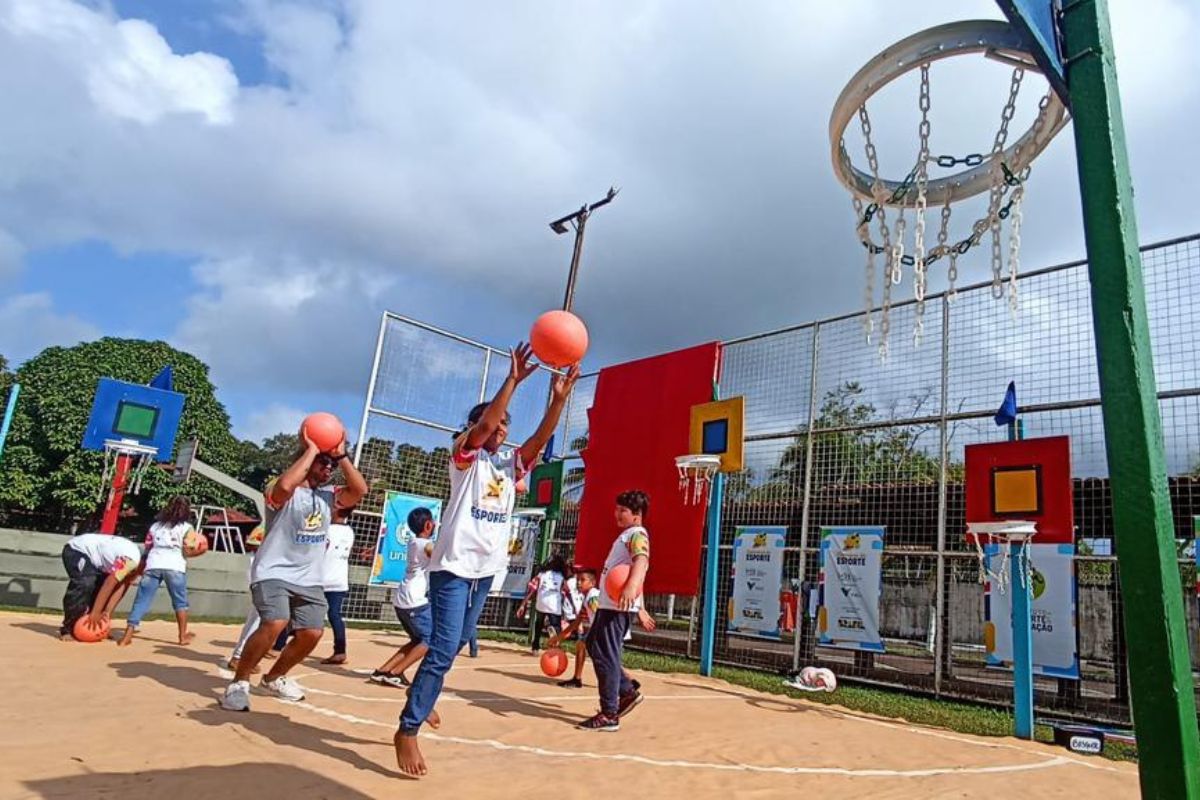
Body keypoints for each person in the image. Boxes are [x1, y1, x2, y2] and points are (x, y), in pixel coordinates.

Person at [395, 343, 579, 777]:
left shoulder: (509, 467)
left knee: (455, 644)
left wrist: (558, 400)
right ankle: (407, 728)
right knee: (442, 646)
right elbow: (485, 426)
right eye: (496, 424)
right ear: (478, 426)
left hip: (484, 571)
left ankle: (422, 695)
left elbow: (538, 439)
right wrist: (512, 380)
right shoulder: (465, 457)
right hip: (454, 567)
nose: (503, 430)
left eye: (505, 426)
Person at [220, 433, 367, 712]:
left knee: (312, 632)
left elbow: (360, 490)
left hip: (309, 579)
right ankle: (238, 683)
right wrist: (312, 448)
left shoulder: (329, 496)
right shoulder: (281, 488)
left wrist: (341, 456)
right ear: (307, 460)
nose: (328, 469)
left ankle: (274, 677)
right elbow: (286, 484)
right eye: (322, 463)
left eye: (330, 465)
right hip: (273, 571)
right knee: (276, 622)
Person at [578, 490, 651, 732]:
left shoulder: (637, 534)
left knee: (607, 654)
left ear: (637, 515)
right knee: (593, 645)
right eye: (616, 509)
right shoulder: (627, 534)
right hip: (609, 603)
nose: (617, 514)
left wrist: (631, 586)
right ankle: (626, 692)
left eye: (623, 511)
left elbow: (642, 560)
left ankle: (610, 713)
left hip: (617, 606)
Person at [370, 506, 436, 687]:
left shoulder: (414, 542)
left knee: (417, 640)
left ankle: (384, 670)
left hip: (404, 598)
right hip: (414, 601)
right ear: (428, 525)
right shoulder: (425, 544)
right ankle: (396, 672)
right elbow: (437, 554)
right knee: (430, 640)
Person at [119, 496, 197, 647]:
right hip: (174, 566)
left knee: (141, 600)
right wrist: (197, 552)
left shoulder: (155, 526)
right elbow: (188, 549)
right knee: (180, 602)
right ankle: (182, 636)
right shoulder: (187, 527)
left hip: (154, 563)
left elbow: (148, 546)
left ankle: (127, 635)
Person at [59, 531, 143, 640]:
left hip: (98, 562)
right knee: (85, 582)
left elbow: (120, 587)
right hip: (78, 549)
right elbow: (109, 584)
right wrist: (96, 612)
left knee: (99, 589)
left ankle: (90, 627)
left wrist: (107, 613)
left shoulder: (135, 566)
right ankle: (68, 629)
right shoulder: (130, 561)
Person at [547, 567, 598, 688]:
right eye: (577, 580)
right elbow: (576, 622)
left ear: (592, 583)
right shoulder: (587, 597)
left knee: (606, 659)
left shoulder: (593, 597)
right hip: (597, 630)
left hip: (603, 631)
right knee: (581, 644)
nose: (579, 583)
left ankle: (627, 682)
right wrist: (558, 638)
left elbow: (601, 616)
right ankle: (577, 678)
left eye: (582, 580)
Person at [319, 505, 357, 665]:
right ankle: (340, 651)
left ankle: (278, 645)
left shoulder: (328, 529)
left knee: (297, 607)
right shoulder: (349, 531)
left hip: (320, 578)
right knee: (335, 615)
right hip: (339, 579)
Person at [516, 553, 570, 652]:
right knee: (556, 625)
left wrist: (523, 605)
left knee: (538, 623)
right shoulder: (561, 577)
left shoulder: (541, 575)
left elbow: (532, 590)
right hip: (554, 606)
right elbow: (566, 591)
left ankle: (535, 646)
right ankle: (553, 637)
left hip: (541, 603)